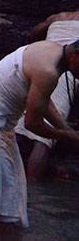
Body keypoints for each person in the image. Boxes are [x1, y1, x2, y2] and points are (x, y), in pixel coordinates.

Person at [0, 40, 79, 228]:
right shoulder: (48, 71)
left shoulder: (52, 49)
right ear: (75, 55)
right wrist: (67, 137)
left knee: (7, 194)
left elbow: (43, 101)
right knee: (7, 205)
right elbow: (32, 124)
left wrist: (67, 130)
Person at [16, 9, 79, 179]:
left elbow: (34, 33)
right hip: (62, 71)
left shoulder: (58, 17)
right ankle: (33, 191)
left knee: (19, 127)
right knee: (43, 140)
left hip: (41, 64)